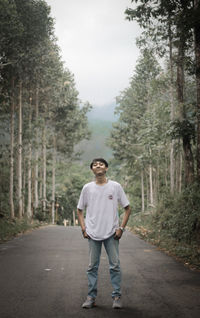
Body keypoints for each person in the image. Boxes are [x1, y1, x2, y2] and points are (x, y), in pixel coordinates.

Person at [77, 158, 131, 309]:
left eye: (101, 164)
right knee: (92, 267)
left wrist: (121, 228)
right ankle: (91, 297)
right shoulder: (87, 188)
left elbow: (127, 208)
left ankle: (117, 296)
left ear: (106, 168)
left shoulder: (115, 186)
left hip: (111, 233)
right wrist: (83, 228)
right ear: (92, 170)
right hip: (93, 233)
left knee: (115, 266)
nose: (98, 166)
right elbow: (79, 210)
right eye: (94, 164)